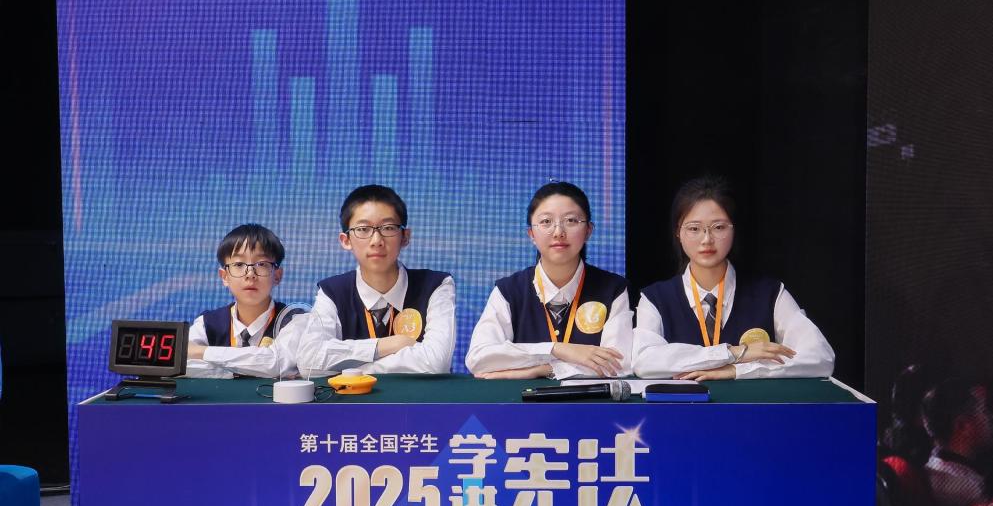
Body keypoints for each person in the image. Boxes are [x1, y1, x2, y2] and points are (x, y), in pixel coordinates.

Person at [632, 176, 834, 380]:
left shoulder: (769, 293)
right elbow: (643, 362)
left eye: (719, 227)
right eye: (694, 228)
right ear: (678, 232)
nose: (706, 239)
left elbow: (820, 358)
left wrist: (738, 370)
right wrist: (733, 353)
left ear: (734, 229)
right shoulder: (655, 298)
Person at [465, 181, 632, 379]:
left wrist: (545, 369)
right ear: (531, 234)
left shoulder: (613, 289)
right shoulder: (509, 290)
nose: (558, 232)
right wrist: (555, 349)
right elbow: (479, 358)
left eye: (571, 220)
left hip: (589, 399)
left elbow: (619, 366)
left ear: (588, 230)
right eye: (546, 221)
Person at [296, 185, 455, 375]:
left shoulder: (436, 285)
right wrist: (389, 344)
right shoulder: (332, 292)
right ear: (346, 240)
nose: (376, 240)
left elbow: (436, 363)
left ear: (405, 237)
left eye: (388, 228)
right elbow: (309, 361)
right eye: (363, 229)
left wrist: (348, 368)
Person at [187, 224, 304, 378]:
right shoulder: (207, 324)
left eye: (261, 264)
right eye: (239, 264)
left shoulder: (294, 320)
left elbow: (278, 364)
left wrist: (203, 352)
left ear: (277, 276)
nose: (250, 274)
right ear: (224, 277)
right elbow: (182, 363)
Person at [921, 379, 993, 506]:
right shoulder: (967, 493)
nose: (991, 419)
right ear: (963, 426)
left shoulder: (932, 467)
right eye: (983, 412)